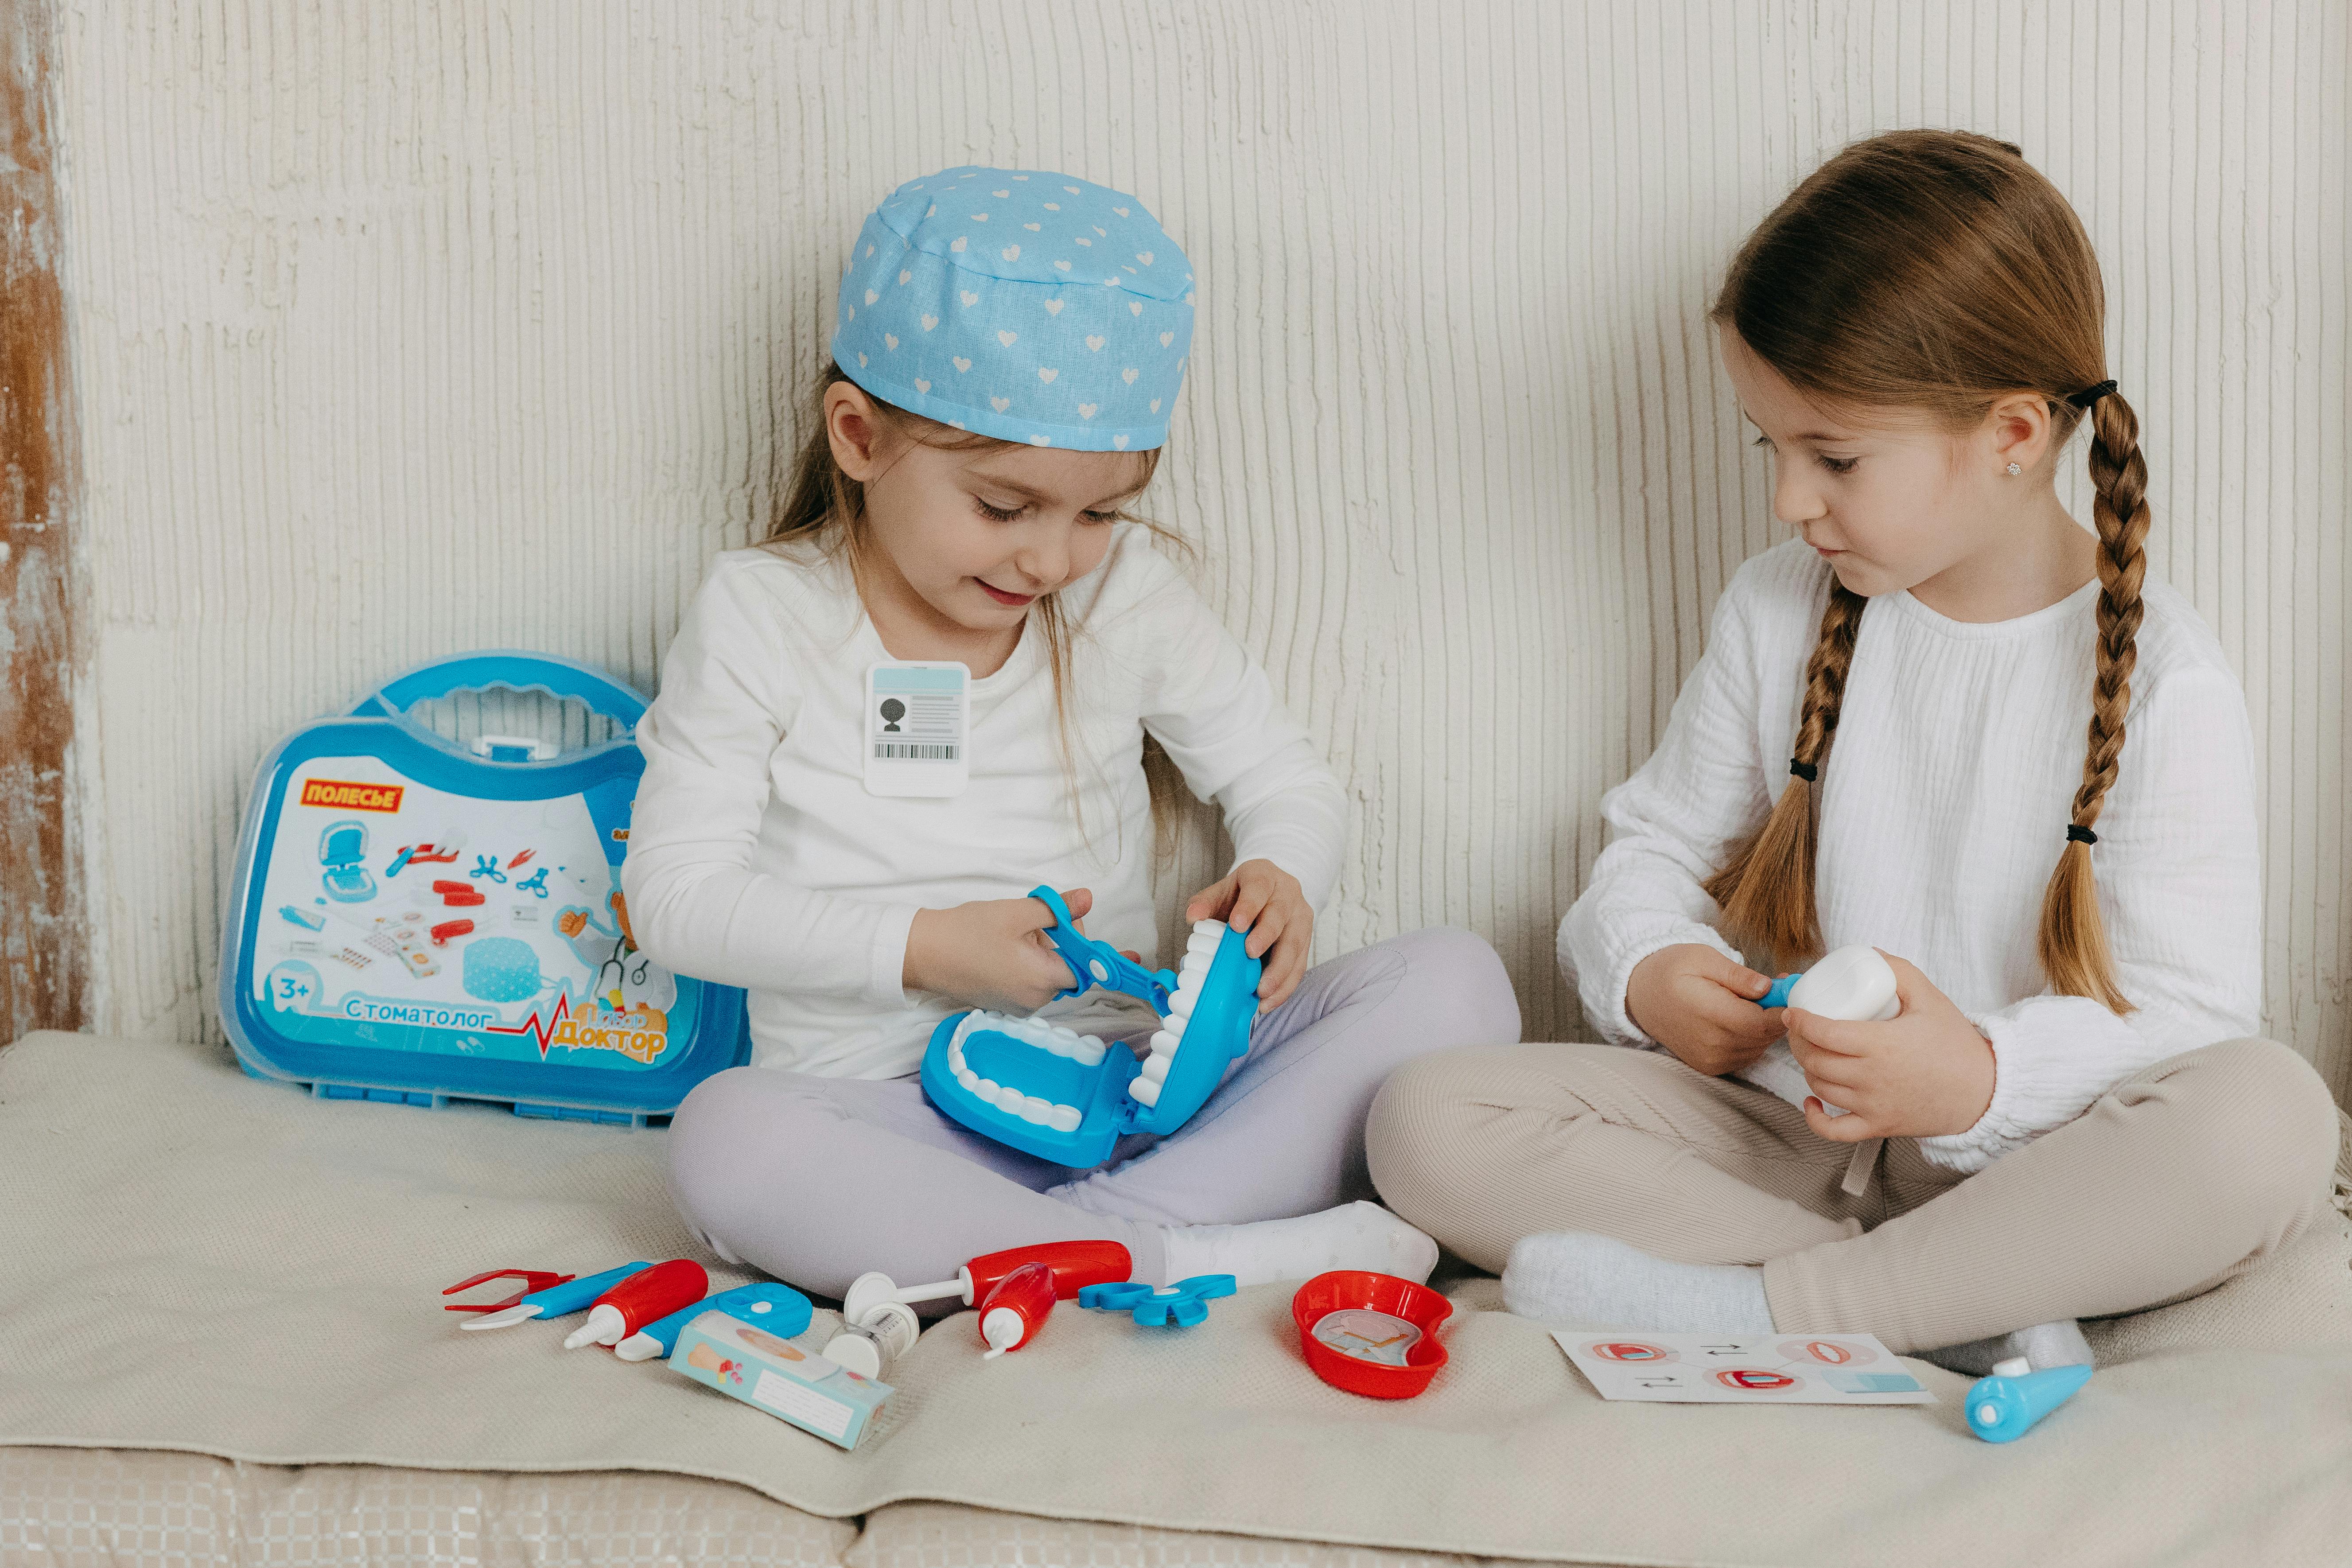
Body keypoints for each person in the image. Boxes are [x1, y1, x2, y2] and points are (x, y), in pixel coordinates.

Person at [1365, 131, 2337, 1368]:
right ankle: (1942, 1306)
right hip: (1792, 1150)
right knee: (1424, 1118)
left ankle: (1778, 1309)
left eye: (1831, 457)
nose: (1786, 500)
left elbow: (2190, 1015)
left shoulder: (2164, 679)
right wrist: (1651, 967)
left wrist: (1977, 1078)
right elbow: (1651, 848)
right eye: (1765, 446)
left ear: (2013, 434)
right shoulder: (1777, 607)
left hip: (2044, 1163)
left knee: (2268, 1120)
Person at [625, 167, 1518, 1303]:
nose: (1049, 561)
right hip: (899, 1122)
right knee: (726, 1137)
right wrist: (925, 950)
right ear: (857, 436)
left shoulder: (1121, 598)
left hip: (1135, 1091)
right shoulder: (763, 613)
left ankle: (1087, 1251)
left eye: (1098, 512)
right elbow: (676, 901)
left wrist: (1284, 872)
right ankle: (1176, 1254)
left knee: (1459, 981)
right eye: (1003, 508)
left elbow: (1284, 778)